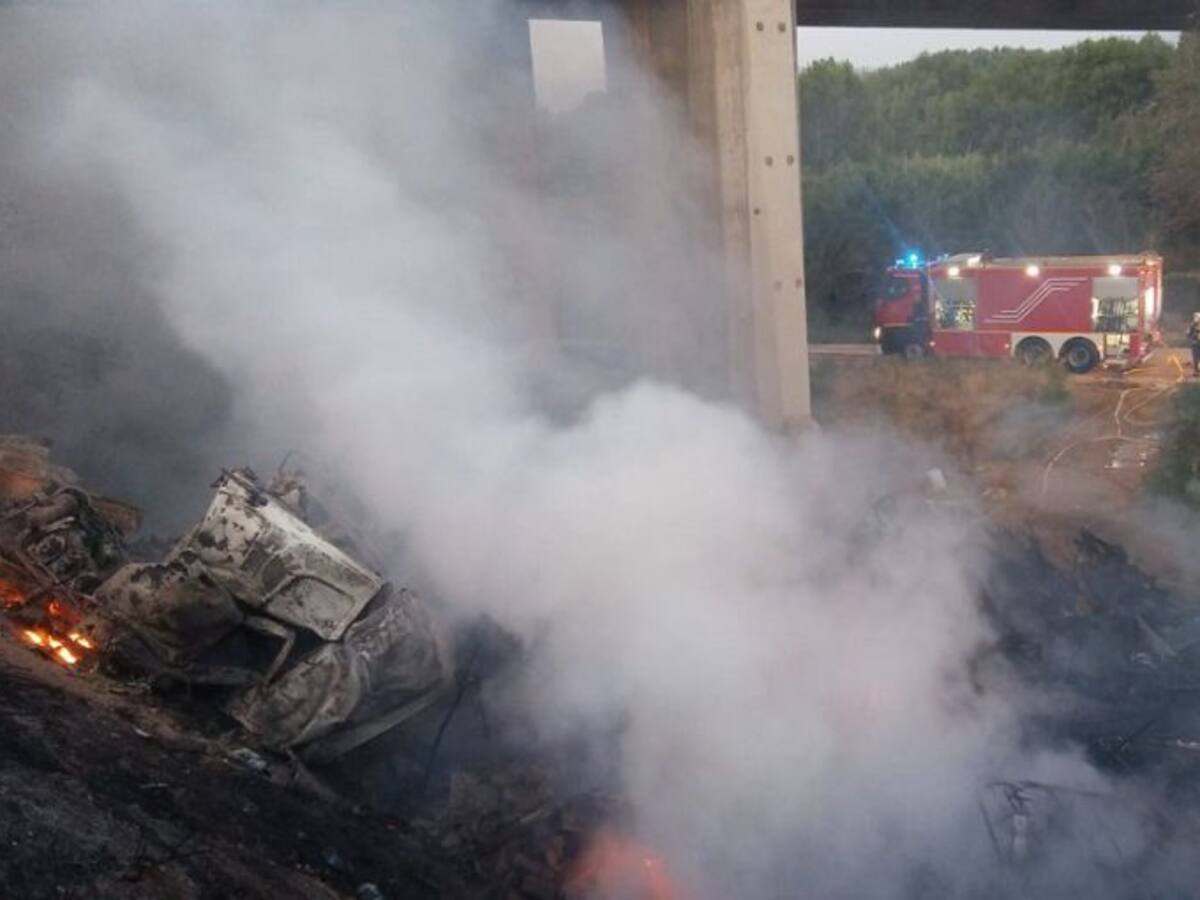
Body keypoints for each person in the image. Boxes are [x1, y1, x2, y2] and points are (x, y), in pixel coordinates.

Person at [1189, 312, 1200, 376]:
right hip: (1195, 343)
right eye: (1195, 317)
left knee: (1197, 357)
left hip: (1196, 343)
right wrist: (1193, 337)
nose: (1196, 319)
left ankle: (1197, 369)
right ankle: (1196, 370)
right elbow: (1188, 334)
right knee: (1195, 357)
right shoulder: (1192, 325)